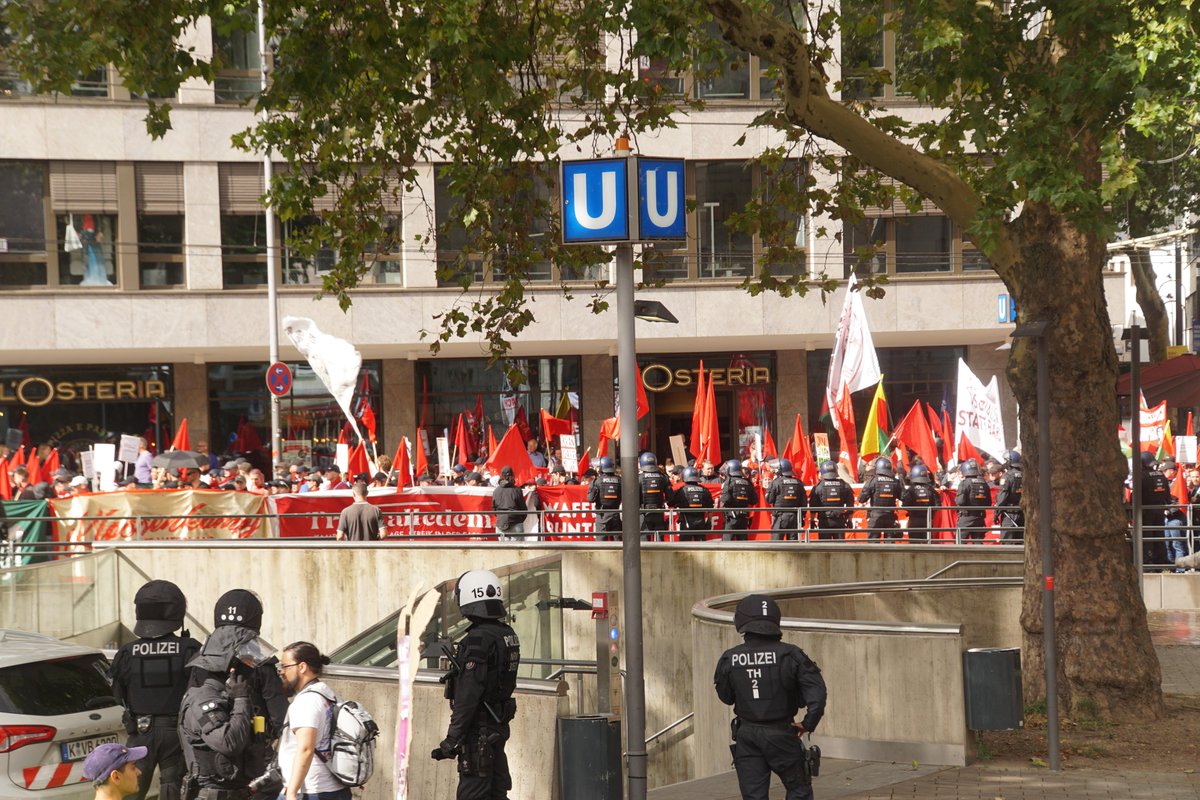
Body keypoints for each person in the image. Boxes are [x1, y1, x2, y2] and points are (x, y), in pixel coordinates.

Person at [714, 595, 827, 800]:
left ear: (741, 622)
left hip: (746, 735)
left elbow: (726, 697)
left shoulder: (730, 657)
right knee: (799, 791)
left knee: (753, 797)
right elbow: (817, 694)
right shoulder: (791, 654)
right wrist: (808, 723)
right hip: (782, 733)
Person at [432, 570, 521, 800]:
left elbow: (468, 697)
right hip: (497, 730)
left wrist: (451, 741)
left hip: (479, 737)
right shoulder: (507, 634)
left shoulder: (478, 640)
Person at [109, 580, 201, 800]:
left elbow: (117, 694)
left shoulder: (127, 652)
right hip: (176, 734)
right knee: (173, 789)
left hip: (140, 732)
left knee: (130, 790)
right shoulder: (191, 649)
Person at [179, 617, 271, 800]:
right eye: (248, 661)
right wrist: (242, 699)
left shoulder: (230, 696)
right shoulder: (203, 700)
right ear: (232, 667)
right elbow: (229, 743)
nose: (253, 667)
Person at [275, 642, 349, 800]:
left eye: (285, 666)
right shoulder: (329, 695)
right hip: (334, 787)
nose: (281, 672)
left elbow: (306, 749)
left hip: (311, 790)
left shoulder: (306, 701)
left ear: (302, 667)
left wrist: (292, 792)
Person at [857, 457, 902, 542]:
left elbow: (861, 499)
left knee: (873, 546)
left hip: (875, 517)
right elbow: (904, 497)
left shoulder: (873, 481)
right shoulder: (896, 482)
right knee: (890, 546)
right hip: (890, 517)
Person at [808, 461, 854, 541]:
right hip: (839, 520)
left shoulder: (818, 487)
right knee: (840, 548)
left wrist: (812, 520)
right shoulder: (844, 485)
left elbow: (813, 506)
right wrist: (850, 520)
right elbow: (850, 504)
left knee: (825, 547)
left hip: (824, 520)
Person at [765, 459, 806, 541]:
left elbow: (769, 499)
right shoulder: (799, 483)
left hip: (780, 516)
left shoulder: (776, 482)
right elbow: (803, 502)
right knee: (793, 545)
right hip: (795, 517)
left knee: (777, 544)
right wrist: (802, 517)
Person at [955, 459, 992, 543]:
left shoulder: (964, 483)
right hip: (980, 518)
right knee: (978, 544)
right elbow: (988, 503)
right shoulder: (984, 483)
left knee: (960, 544)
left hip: (966, 518)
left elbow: (960, 502)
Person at [673, 466, 715, 540]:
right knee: (700, 549)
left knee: (684, 549)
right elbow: (710, 508)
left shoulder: (681, 491)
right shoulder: (704, 490)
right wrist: (709, 521)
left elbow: (672, 504)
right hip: (700, 523)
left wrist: (679, 516)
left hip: (686, 523)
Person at [587, 457, 622, 540]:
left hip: (602, 515)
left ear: (602, 467)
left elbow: (590, 499)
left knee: (601, 544)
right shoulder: (619, 480)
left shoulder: (597, 481)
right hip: (615, 514)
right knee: (617, 543)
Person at [901, 464, 938, 543]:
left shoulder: (911, 490)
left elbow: (904, 505)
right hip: (927, 521)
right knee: (928, 545)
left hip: (914, 520)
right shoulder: (931, 490)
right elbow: (937, 505)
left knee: (914, 545)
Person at [637, 452, 670, 540]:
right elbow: (670, 497)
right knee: (659, 544)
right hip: (659, 512)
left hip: (643, 513)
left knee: (644, 544)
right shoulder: (663, 477)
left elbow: (633, 499)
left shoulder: (638, 478)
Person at [721, 460, 756, 541]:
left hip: (731, 517)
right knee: (743, 543)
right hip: (743, 516)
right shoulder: (747, 482)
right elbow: (754, 500)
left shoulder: (729, 482)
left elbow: (725, 499)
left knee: (727, 543)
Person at [994, 450, 1024, 542]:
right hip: (1023, 513)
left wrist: (996, 513)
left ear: (1009, 461)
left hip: (1009, 514)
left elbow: (1002, 497)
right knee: (1021, 543)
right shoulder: (1025, 474)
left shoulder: (1007, 476)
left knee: (1007, 543)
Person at [491, 466, 527, 541]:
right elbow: (523, 509)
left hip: (501, 523)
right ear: (512, 476)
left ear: (501, 476)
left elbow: (494, 509)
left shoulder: (496, 491)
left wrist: (501, 517)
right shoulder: (517, 490)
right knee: (518, 550)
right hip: (516, 521)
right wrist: (519, 519)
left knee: (504, 551)